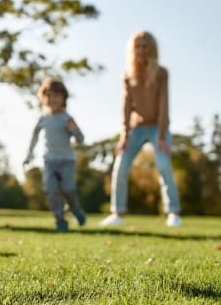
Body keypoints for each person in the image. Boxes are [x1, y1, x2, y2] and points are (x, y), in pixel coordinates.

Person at [100, 31, 182, 227]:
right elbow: (126, 107)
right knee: (120, 166)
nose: (141, 50)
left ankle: (173, 212)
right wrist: (124, 136)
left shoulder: (161, 73)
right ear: (132, 50)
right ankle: (117, 213)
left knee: (163, 165)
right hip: (136, 128)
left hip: (157, 128)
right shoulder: (127, 76)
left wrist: (162, 136)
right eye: (138, 46)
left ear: (151, 49)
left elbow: (164, 106)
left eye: (145, 46)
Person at [23, 78, 86, 232]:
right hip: (49, 162)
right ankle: (60, 220)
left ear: (63, 98)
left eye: (56, 96)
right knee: (50, 191)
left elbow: (80, 139)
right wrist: (29, 155)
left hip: (67, 161)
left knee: (68, 189)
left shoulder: (67, 118)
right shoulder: (43, 118)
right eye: (48, 96)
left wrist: (74, 129)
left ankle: (75, 208)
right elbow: (34, 137)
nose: (52, 99)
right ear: (43, 98)